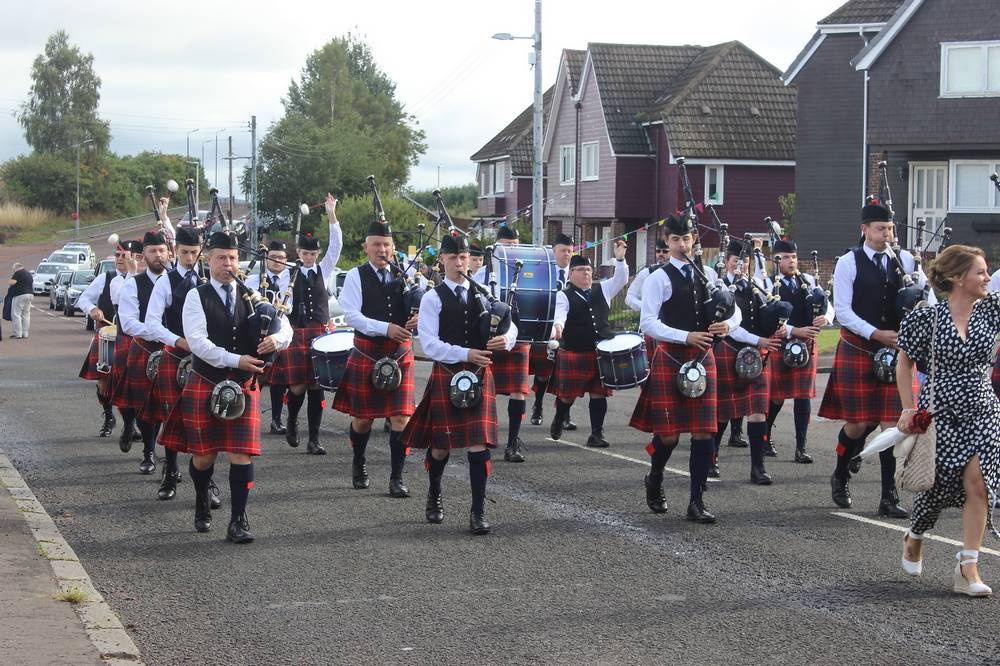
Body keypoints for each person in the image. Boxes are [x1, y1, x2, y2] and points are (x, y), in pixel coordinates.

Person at [159, 231, 292, 543]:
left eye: (232, 258)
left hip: (243, 386)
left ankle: (238, 519)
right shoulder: (197, 295)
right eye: (221, 258)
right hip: (207, 381)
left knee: (240, 454)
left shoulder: (253, 296)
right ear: (209, 261)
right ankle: (202, 497)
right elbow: (198, 343)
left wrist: (278, 339)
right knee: (204, 457)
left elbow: (285, 324)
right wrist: (236, 360)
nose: (228, 264)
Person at [897, 244, 999, 597]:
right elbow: (904, 363)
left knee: (980, 484)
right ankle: (915, 534)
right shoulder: (927, 317)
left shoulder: (992, 311)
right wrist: (909, 409)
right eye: (980, 272)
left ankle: (967, 565)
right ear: (958, 278)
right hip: (939, 412)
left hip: (984, 410)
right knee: (936, 488)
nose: (987, 277)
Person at [401, 232, 518, 534]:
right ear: (441, 260)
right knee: (441, 447)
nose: (459, 263)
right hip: (449, 373)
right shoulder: (432, 298)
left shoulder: (483, 294)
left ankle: (477, 511)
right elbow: (429, 344)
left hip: (480, 375)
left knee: (479, 444)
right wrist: (467, 353)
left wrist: (507, 338)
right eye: (452, 258)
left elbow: (509, 321)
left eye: (463, 257)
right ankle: (434, 491)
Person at [819, 200, 929, 518]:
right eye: (881, 229)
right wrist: (876, 333)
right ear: (864, 229)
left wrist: (920, 291)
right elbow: (842, 311)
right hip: (860, 347)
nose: (887, 235)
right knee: (858, 424)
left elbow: (923, 299)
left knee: (893, 425)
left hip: (895, 351)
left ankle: (888, 496)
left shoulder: (906, 260)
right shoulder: (848, 262)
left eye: (891, 229)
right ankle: (840, 473)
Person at [630, 212, 742, 523]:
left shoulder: (708, 274)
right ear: (667, 241)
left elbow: (737, 312)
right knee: (668, 437)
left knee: (705, 433)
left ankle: (696, 500)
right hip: (672, 356)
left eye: (687, 239)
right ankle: (655, 477)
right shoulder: (658, 278)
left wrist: (727, 326)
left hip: (704, 358)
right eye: (676, 239)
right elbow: (648, 323)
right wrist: (686, 336)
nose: (682, 244)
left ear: (694, 241)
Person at [332, 215, 418, 496]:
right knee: (363, 419)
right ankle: (359, 462)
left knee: (401, 418)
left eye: (387, 245)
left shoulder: (405, 273)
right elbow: (352, 315)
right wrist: (386, 328)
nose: (383, 250)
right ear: (366, 247)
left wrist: (419, 316)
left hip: (400, 353)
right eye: (377, 245)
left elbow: (426, 303)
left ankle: (397, 477)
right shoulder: (356, 275)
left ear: (393, 247)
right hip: (368, 353)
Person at [142, 225, 219, 506]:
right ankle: (171, 471)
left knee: (209, 422)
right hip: (177, 356)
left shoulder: (210, 279)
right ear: (176, 252)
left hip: (208, 360)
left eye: (194, 253)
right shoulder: (166, 281)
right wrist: (178, 341)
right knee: (172, 417)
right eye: (185, 252)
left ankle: (208, 481)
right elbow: (151, 322)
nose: (189, 258)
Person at [266, 194, 342, 454]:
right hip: (296, 332)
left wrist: (331, 214)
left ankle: (314, 439)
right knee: (298, 386)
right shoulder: (288, 272)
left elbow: (337, 246)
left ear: (317, 254)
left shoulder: (325, 269)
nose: (309, 257)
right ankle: (290, 420)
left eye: (313, 253)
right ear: (297, 253)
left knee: (316, 387)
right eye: (305, 253)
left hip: (319, 332)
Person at [711, 238, 783, 483]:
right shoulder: (721, 289)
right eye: (736, 262)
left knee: (758, 413)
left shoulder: (755, 287)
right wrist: (759, 341)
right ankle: (711, 458)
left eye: (746, 262)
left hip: (755, 357)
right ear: (728, 263)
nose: (741, 267)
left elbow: (766, 313)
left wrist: (779, 326)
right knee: (722, 413)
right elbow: (731, 328)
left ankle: (757, 467)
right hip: (729, 351)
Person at [548, 241, 628, 447]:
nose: (586, 274)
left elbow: (621, 278)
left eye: (589, 270)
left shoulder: (603, 288)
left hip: (601, 351)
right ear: (571, 274)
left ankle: (596, 434)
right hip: (576, 350)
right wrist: (558, 327)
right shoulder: (563, 295)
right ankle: (559, 418)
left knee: (599, 394)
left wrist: (620, 259)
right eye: (581, 270)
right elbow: (560, 316)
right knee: (568, 396)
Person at [764, 238, 831, 464]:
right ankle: (765, 437)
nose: (791, 261)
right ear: (776, 259)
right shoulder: (768, 283)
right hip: (781, 342)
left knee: (803, 396)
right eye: (785, 257)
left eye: (793, 257)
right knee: (776, 397)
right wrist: (796, 330)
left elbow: (826, 305)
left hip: (806, 344)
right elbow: (770, 316)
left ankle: (801, 447)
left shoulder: (809, 280)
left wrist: (826, 318)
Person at [111, 231, 171, 474]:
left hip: (176, 351)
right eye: (152, 251)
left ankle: (172, 460)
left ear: (169, 253)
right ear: (143, 256)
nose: (158, 255)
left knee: (172, 406)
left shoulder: (179, 281)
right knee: (146, 406)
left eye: (161, 250)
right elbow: (128, 323)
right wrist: (161, 334)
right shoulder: (133, 284)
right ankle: (148, 451)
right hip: (146, 349)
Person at [475, 224, 531, 463]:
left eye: (516, 246)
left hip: (518, 337)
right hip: (489, 338)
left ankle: (512, 444)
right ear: (497, 246)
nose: (512, 251)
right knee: (485, 389)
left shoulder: (527, 271)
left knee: (519, 391)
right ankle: (481, 436)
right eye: (508, 246)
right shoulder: (482, 273)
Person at [77, 244, 129, 437]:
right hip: (107, 335)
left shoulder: (140, 279)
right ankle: (109, 416)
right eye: (118, 255)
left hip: (132, 339)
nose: (120, 259)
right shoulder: (105, 278)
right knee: (104, 380)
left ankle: (130, 424)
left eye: (125, 255)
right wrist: (92, 310)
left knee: (129, 382)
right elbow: (84, 299)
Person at [529, 233, 577, 430]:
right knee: (543, 373)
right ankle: (538, 406)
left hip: (570, 329)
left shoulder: (576, 274)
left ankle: (564, 414)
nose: (566, 255)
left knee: (566, 374)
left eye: (569, 251)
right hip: (547, 327)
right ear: (553, 251)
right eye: (562, 251)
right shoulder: (544, 272)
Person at [245, 240, 292, 435]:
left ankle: (276, 419)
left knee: (280, 380)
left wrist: (283, 308)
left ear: (286, 260)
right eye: (272, 257)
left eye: (281, 257)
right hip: (258, 334)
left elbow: (293, 308)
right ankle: (249, 416)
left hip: (283, 330)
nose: (276, 261)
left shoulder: (291, 278)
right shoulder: (253, 281)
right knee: (258, 379)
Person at [7, 262, 32, 339]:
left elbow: (12, 282)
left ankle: (18, 333)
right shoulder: (28, 274)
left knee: (16, 314)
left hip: (20, 295)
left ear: (16, 268)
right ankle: (25, 333)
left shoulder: (18, 273)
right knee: (26, 314)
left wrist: (10, 282)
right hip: (30, 295)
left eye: (13, 269)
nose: (13, 271)